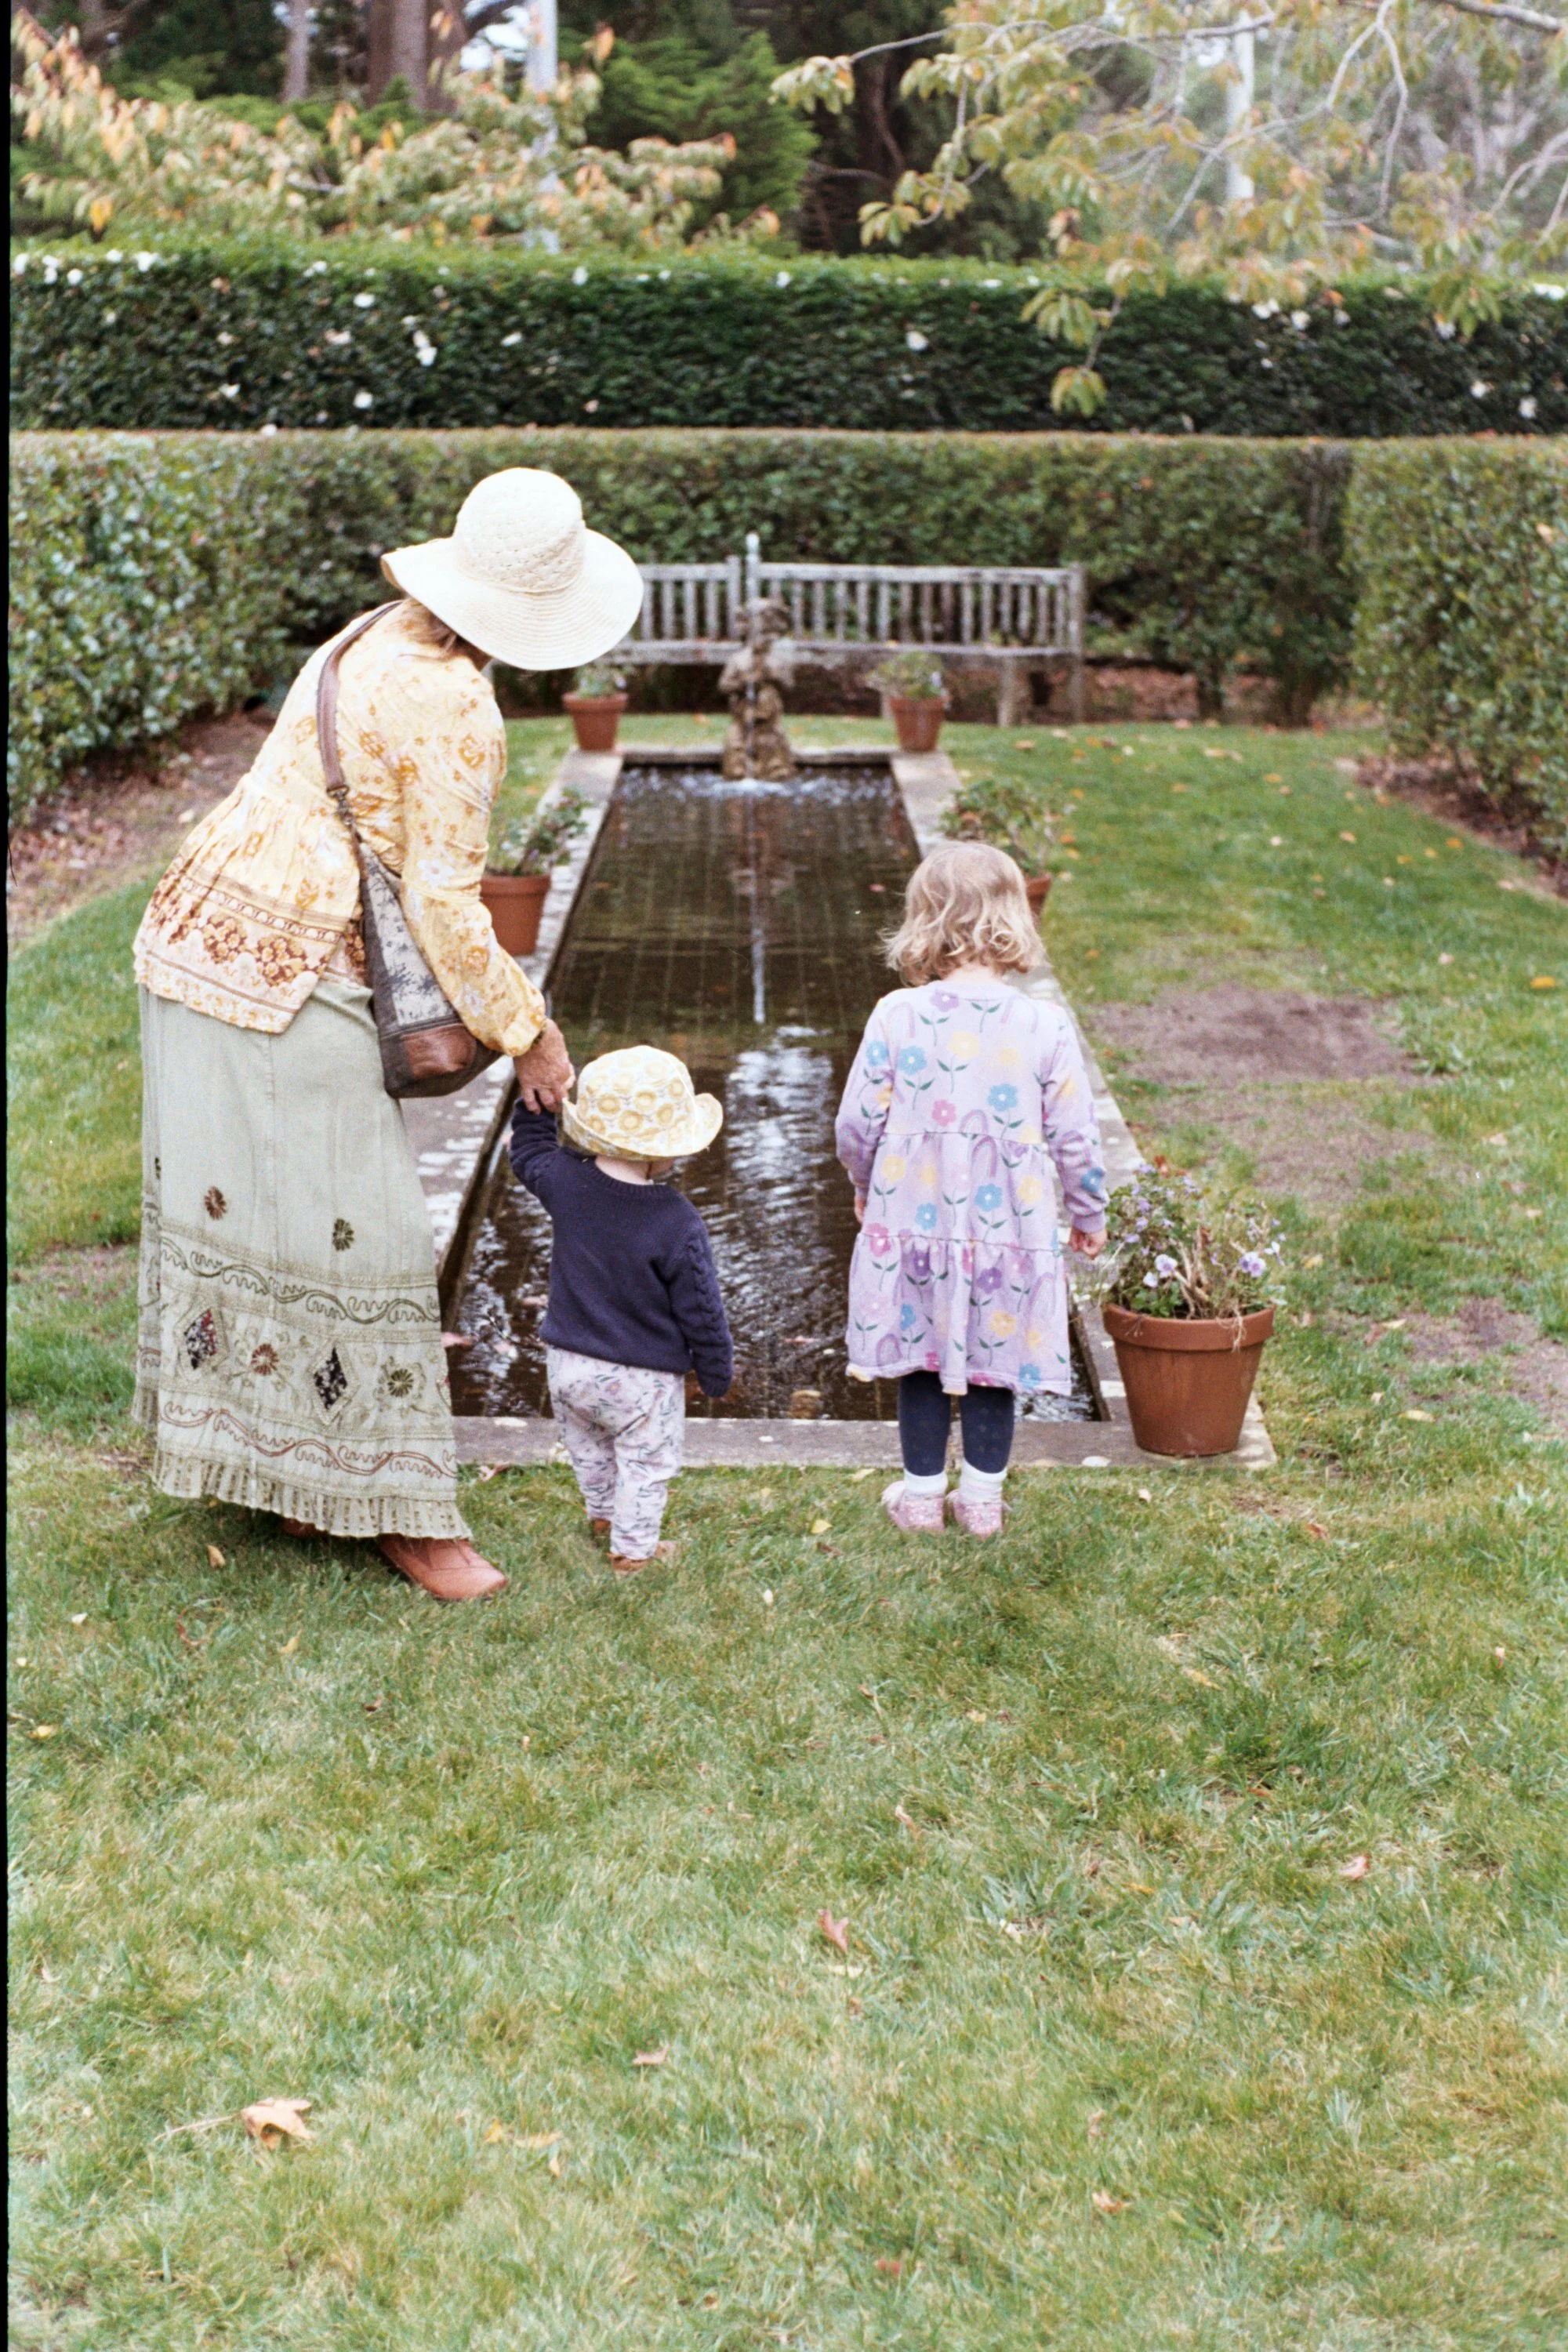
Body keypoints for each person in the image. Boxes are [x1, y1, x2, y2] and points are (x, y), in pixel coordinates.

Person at [131, 469, 644, 1602]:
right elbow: (447, 907)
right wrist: (533, 1036)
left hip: (197, 933)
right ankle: (408, 1523)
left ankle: (289, 1475)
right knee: (369, 1241)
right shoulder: (457, 703)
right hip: (283, 971)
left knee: (271, 1226)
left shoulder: (367, 632)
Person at [835, 840, 1107, 1538]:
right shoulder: (1042, 1022)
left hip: (914, 1218)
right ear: (1013, 918)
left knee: (922, 1358)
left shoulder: (897, 1015)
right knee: (997, 1360)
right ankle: (981, 1502)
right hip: (1008, 1228)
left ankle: (922, 1499)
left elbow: (856, 1121)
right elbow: (1076, 1132)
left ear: (924, 922)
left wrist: (865, 1184)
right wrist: (1088, 1210)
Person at [508, 1047, 732, 1574]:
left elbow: (528, 1153)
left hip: (567, 1365)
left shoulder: (565, 1181)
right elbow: (702, 1308)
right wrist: (717, 1371)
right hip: (642, 1378)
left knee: (590, 1450)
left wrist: (536, 1099)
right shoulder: (676, 1219)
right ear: (662, 1150)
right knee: (646, 1464)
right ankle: (632, 1553)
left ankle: (605, 1517)